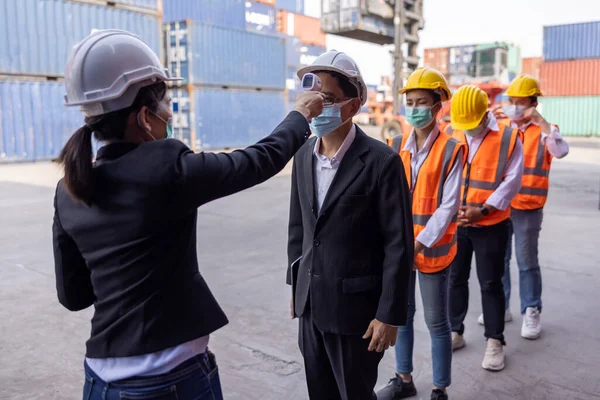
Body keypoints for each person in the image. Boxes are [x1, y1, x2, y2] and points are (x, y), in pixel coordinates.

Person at [52, 29, 324, 400]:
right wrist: (300, 113)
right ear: (144, 118)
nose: (170, 113)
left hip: (100, 382)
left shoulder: (68, 189)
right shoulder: (164, 168)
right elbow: (258, 161)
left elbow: (74, 295)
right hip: (169, 380)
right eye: (166, 104)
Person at [286, 50, 414, 400]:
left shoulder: (382, 162)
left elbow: (398, 245)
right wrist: (297, 289)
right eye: (311, 96)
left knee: (355, 393)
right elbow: (299, 230)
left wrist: (389, 314)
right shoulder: (301, 155)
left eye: (326, 99)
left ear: (353, 105)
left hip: (356, 313)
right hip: (311, 307)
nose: (314, 107)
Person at [377, 68, 465, 400]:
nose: (414, 109)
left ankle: (440, 387)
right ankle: (404, 379)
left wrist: (418, 242)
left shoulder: (451, 149)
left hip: (432, 250)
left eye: (422, 102)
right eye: (410, 102)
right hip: (400, 249)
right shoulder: (395, 144)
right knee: (401, 316)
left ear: (438, 105)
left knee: (436, 323)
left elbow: (448, 206)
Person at [477, 74, 569, 339]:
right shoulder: (501, 126)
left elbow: (561, 151)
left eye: (520, 101)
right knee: (500, 259)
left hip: (528, 207)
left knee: (527, 262)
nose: (514, 105)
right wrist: (487, 116)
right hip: (500, 205)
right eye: (512, 100)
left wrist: (540, 122)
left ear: (533, 102)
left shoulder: (545, 131)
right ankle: (502, 306)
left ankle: (531, 309)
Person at [446, 85, 524, 372]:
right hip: (458, 222)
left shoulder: (508, 137)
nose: (468, 130)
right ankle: (455, 331)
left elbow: (513, 181)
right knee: (455, 278)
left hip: (491, 223)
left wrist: (484, 209)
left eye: (472, 124)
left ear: (484, 114)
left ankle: (495, 340)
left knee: (490, 283)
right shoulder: (453, 132)